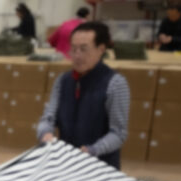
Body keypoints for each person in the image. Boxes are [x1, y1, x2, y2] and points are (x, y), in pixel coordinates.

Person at [36, 21, 130, 169]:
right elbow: (48, 117)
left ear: (101, 49)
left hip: (100, 167)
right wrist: (45, 133)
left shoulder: (115, 84)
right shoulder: (63, 81)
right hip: (66, 164)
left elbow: (118, 133)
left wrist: (92, 150)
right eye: (73, 49)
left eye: (84, 49)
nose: (77, 55)